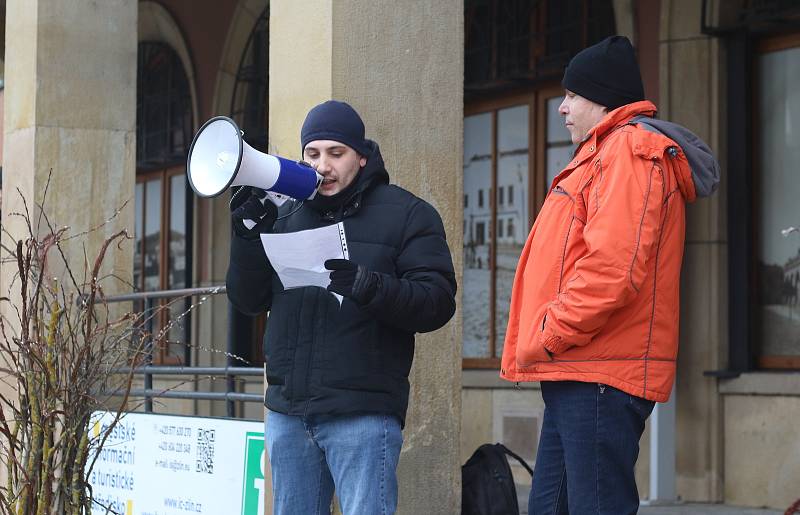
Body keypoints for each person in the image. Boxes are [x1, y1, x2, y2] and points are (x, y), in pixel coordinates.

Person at [500, 36, 719, 514]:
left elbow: (612, 270)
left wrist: (550, 332)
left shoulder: (629, 152)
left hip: (598, 372)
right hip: (579, 368)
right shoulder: (602, 154)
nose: (561, 108)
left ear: (602, 98)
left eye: (572, 95)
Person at [226, 100, 456, 515]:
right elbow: (248, 300)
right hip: (289, 413)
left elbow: (437, 302)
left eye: (336, 153)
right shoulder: (285, 212)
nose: (323, 166)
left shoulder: (409, 214)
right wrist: (246, 239)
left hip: (362, 414)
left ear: (361, 156)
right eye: (312, 154)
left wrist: (369, 286)